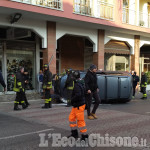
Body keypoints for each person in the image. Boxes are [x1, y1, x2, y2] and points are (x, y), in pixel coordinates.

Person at [68, 71, 88, 141]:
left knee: (80, 121)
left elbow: (78, 95)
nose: (72, 78)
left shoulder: (77, 85)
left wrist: (72, 100)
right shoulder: (81, 82)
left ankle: (84, 136)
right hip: (77, 105)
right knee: (71, 118)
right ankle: (74, 133)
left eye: (72, 77)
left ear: (74, 77)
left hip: (79, 105)